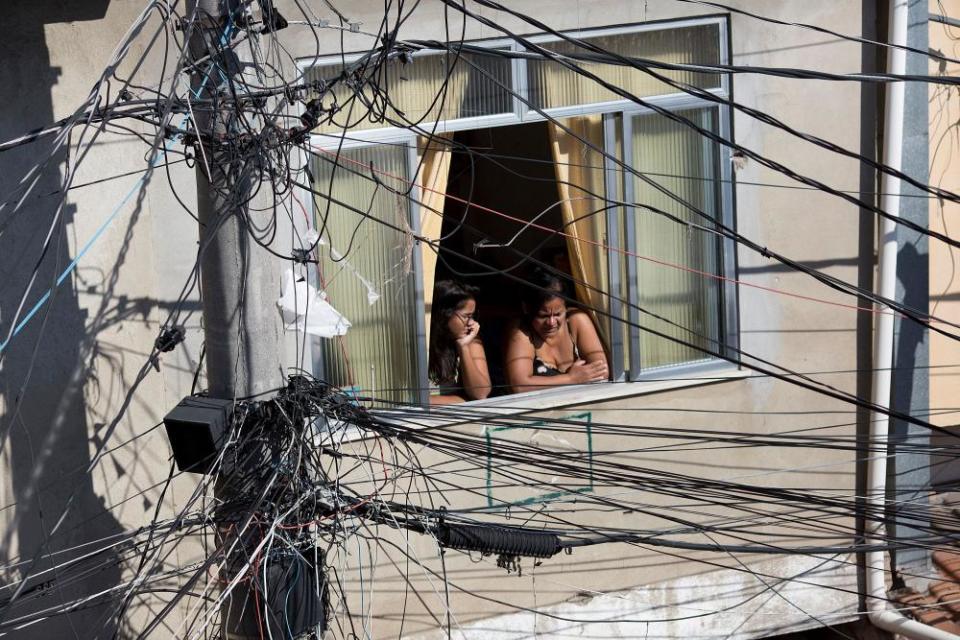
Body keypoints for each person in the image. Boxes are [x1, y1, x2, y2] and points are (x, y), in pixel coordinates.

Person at [505, 267, 608, 393]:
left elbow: (602, 371)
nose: (552, 323)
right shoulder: (522, 332)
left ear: (566, 307)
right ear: (526, 309)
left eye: (558, 314)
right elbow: (520, 385)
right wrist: (570, 379)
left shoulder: (576, 320)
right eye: (543, 316)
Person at [428, 280, 491, 405]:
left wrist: (463, 346)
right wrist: (461, 400)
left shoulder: (470, 340)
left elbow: (480, 394)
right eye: (466, 316)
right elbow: (416, 401)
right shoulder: (421, 341)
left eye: (473, 316)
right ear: (445, 314)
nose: (471, 323)